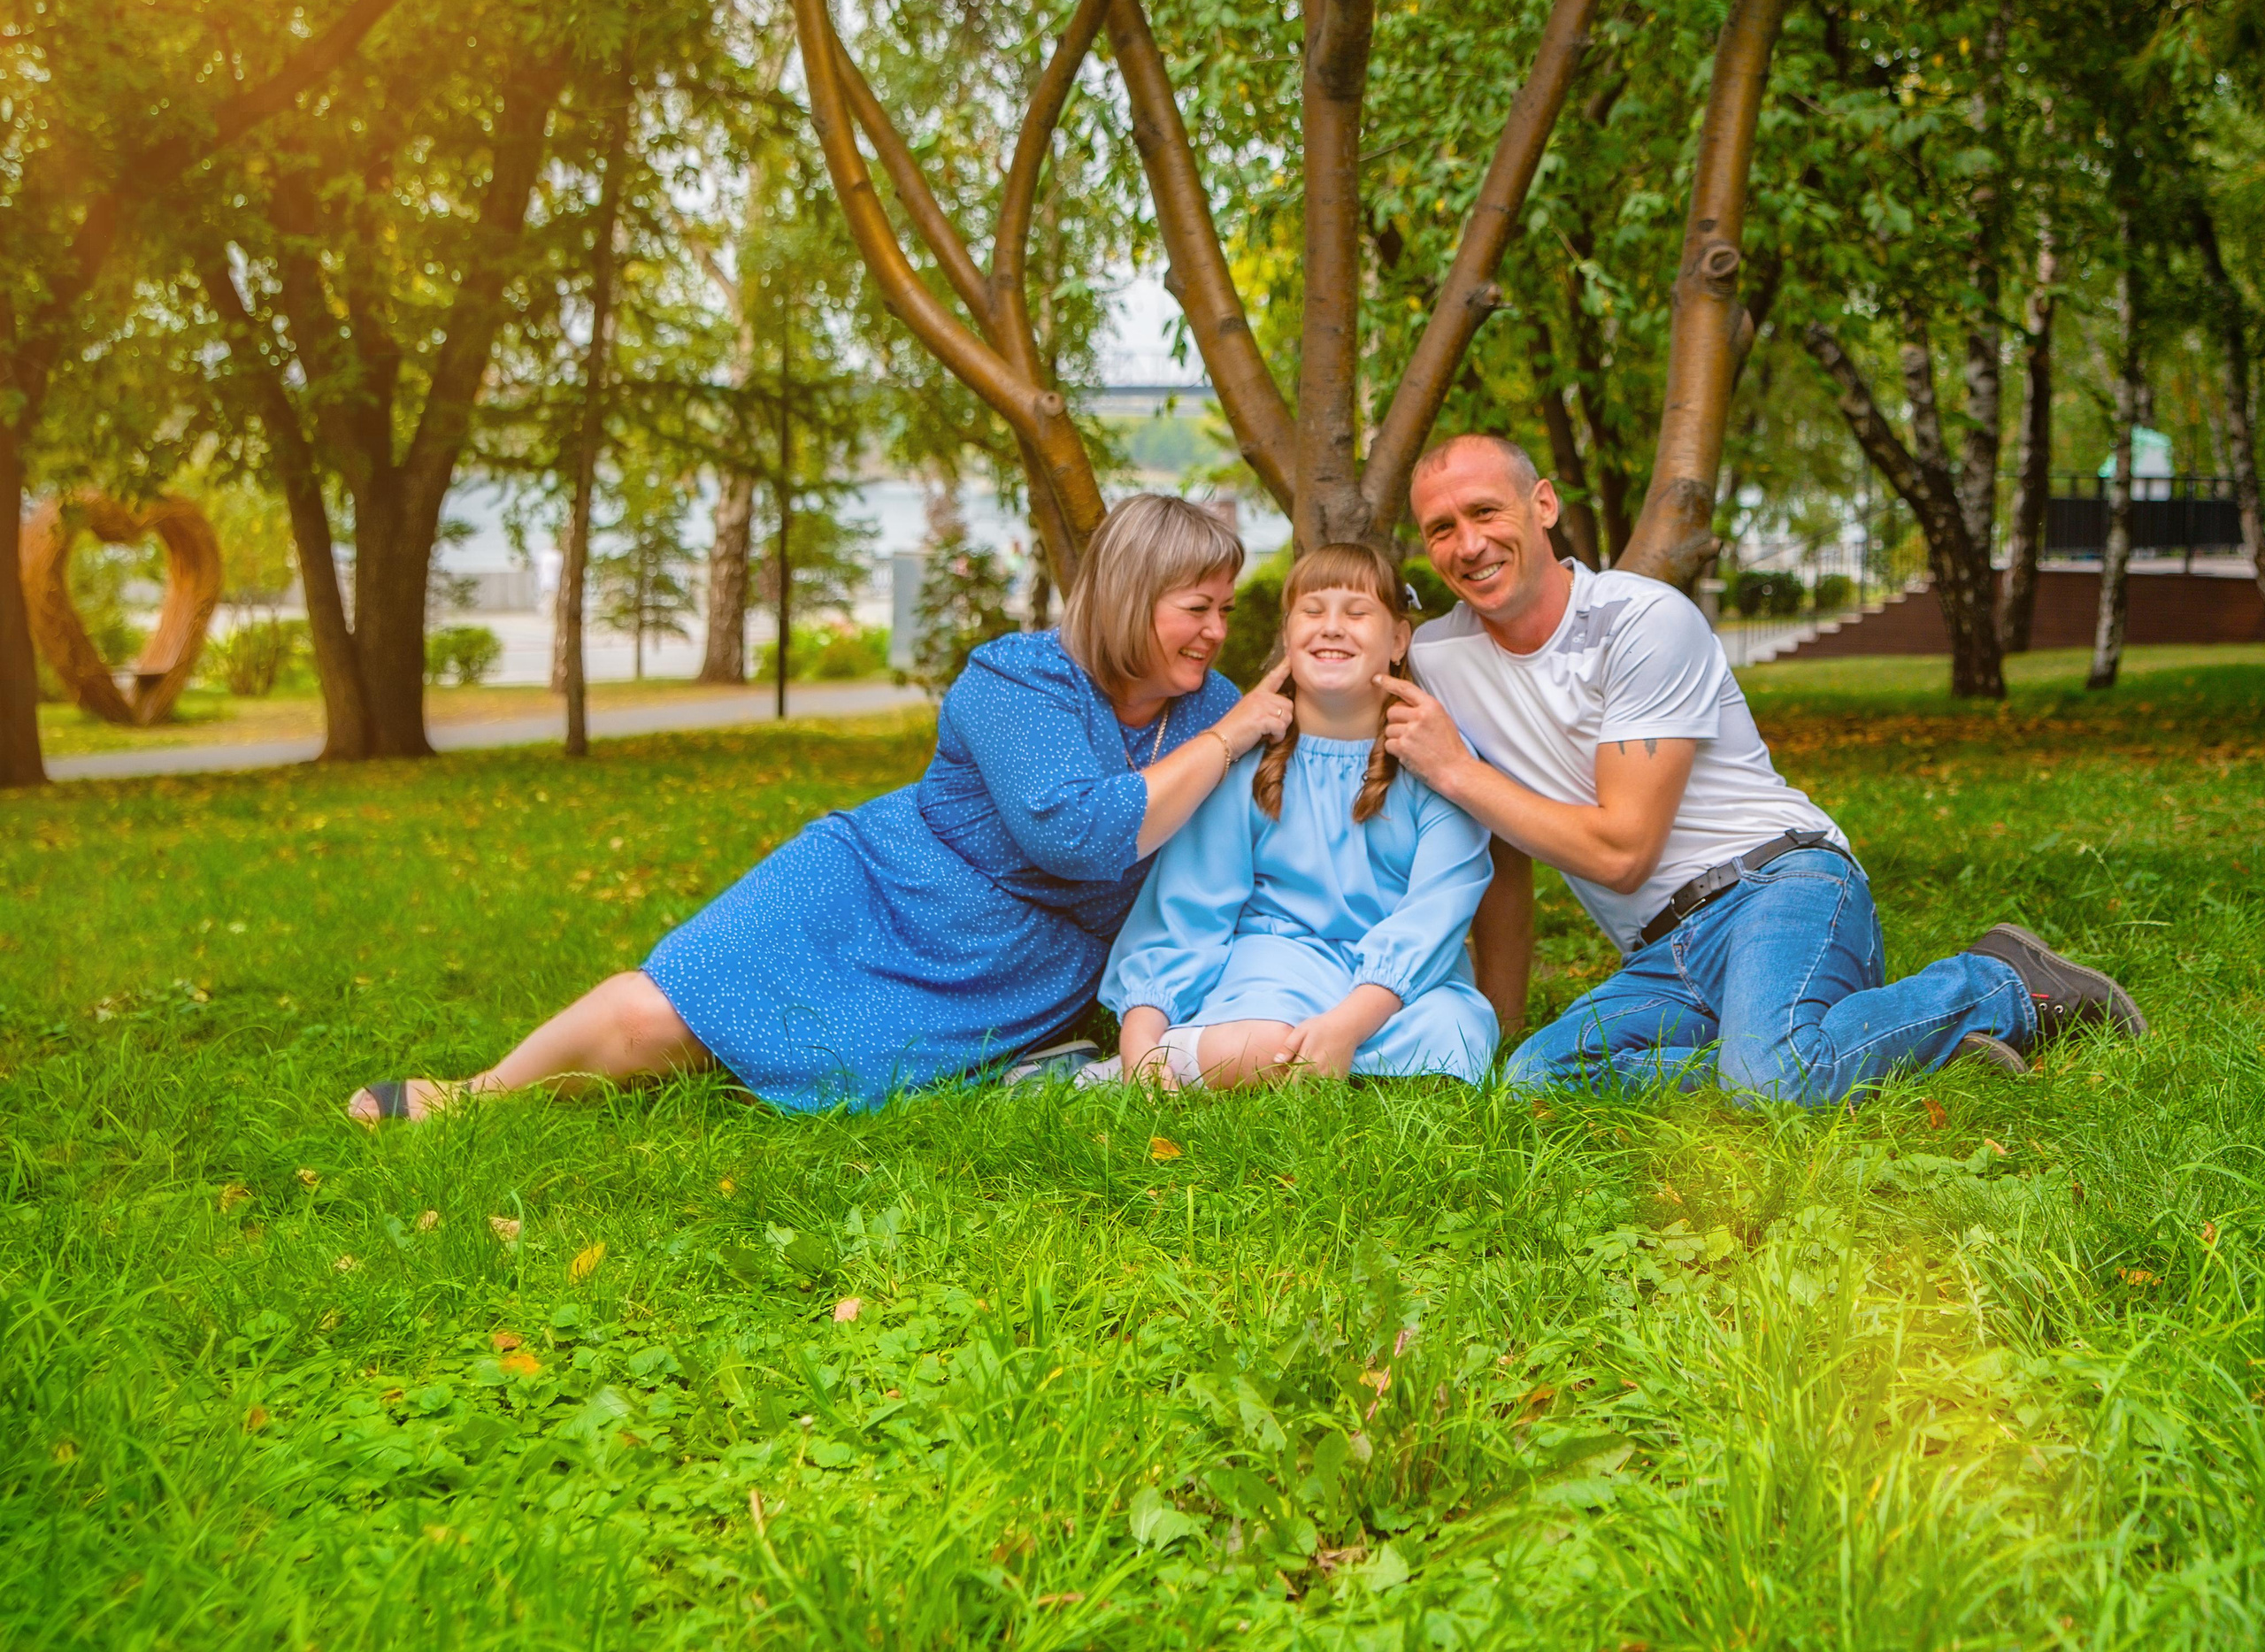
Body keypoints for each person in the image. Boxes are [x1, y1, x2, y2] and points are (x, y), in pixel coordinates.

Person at [348, 495, 1297, 1122]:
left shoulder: (1210, 705)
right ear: (1132, 599)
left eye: (1225, 608)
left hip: (1021, 965)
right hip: (882, 887)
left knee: (797, 1074)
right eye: (1196, 608)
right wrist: (1235, 731)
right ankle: (472, 1098)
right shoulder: (1019, 679)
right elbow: (1082, 835)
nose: (1218, 633)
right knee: (663, 1018)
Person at [1378, 434, 2145, 1104]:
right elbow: (1500, 848)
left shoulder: (1641, 619)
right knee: (1536, 1081)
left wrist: (1457, 771)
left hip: (1778, 886)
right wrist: (1503, 1026)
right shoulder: (1442, 661)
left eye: (1485, 512)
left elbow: (1623, 850)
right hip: (1659, 955)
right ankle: (1878, 1052)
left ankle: (1999, 981)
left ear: (1542, 505)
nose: (1467, 544)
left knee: (1772, 1084)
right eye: (1440, 528)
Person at [1079, 542, 1497, 1092]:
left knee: (1457, 1037)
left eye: (1356, 612)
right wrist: (1139, 1039)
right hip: (1275, 967)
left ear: (1398, 639)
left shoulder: (1437, 758)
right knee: (1262, 1041)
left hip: (1399, 986)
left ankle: (1250, 1062)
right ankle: (1167, 1060)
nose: (1332, 628)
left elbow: (1436, 915)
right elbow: (1187, 910)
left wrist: (1347, 1024)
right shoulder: (1250, 760)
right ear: (1288, 633)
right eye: (1313, 610)